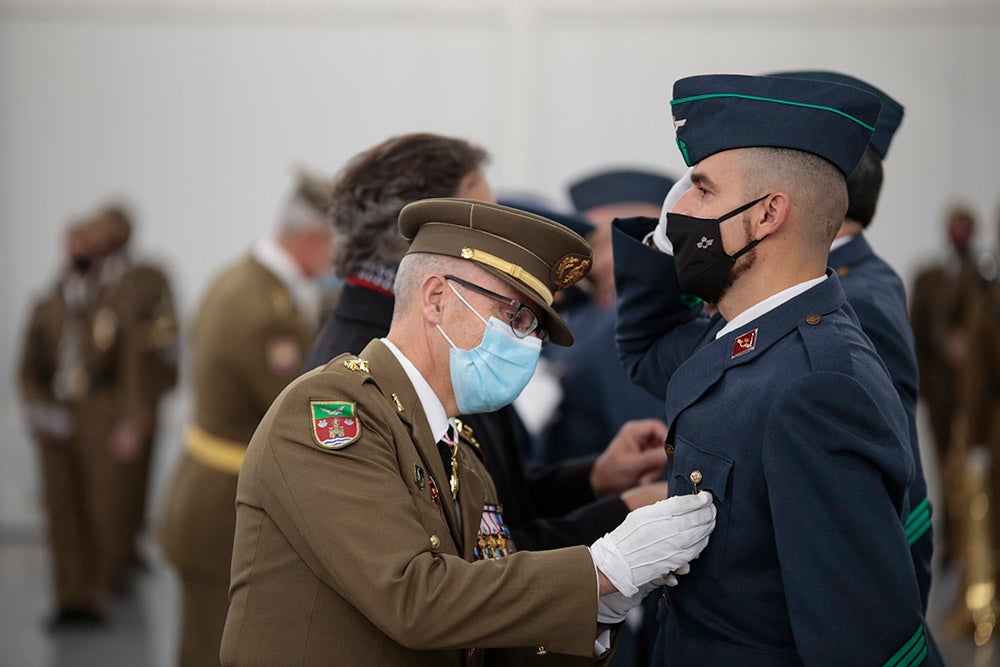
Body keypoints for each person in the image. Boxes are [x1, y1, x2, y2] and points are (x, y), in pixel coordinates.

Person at [221, 197, 717, 665]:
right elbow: (414, 600)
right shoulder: (329, 412)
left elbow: (480, 624)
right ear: (436, 298)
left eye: (535, 330)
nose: (528, 344)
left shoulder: (460, 446)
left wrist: (600, 611)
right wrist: (599, 571)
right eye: (514, 316)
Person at [613, 73, 930, 664]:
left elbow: (859, 636)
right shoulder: (751, 336)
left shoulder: (818, 386)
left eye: (702, 190)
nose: (678, 208)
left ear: (766, 216)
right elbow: (651, 355)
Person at [305, 133, 670, 553]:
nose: (498, 240)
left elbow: (491, 495)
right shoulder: (373, 368)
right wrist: (622, 516)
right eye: (483, 223)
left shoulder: (450, 337)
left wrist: (594, 478)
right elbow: (459, 565)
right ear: (430, 240)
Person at [157, 170, 334, 667]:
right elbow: (290, 412)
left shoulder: (244, 280)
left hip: (210, 493)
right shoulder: (262, 309)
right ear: (313, 238)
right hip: (223, 507)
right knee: (213, 650)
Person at [18, 221, 114, 627]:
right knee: (60, 511)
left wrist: (124, 420)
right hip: (53, 424)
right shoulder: (46, 306)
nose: (81, 253)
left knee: (95, 508)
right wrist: (39, 410)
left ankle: (92, 595)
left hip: (95, 419)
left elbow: (125, 371)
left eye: (88, 246)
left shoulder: (110, 305)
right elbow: (27, 370)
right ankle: (65, 596)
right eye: (76, 245)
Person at [89, 203, 179, 585]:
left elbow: (166, 333)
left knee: (137, 480)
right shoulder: (91, 279)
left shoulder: (148, 276)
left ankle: (126, 550)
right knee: (107, 484)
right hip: (101, 400)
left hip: (144, 393)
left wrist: (153, 392)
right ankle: (105, 561)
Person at [910, 205, 980, 564]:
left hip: (978, 394)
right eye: (955, 226)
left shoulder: (983, 277)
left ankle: (973, 541)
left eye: (965, 227)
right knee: (942, 465)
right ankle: (953, 543)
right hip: (939, 391)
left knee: (974, 466)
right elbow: (916, 331)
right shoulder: (930, 277)